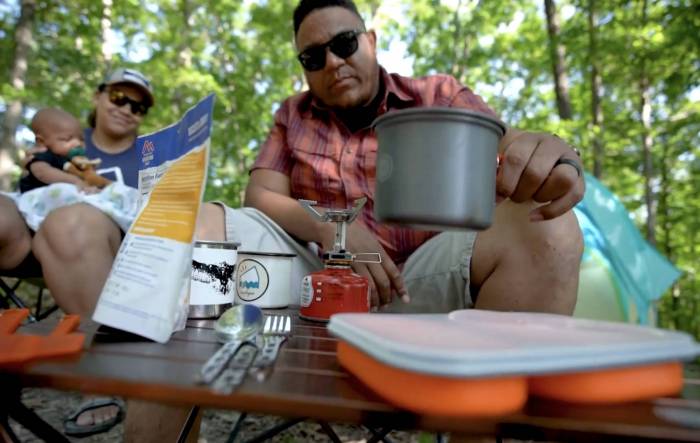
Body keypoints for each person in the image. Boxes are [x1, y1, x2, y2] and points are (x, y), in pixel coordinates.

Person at [196, 0, 584, 317]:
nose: (332, 62)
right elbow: (260, 195)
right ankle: (177, 385)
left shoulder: (438, 96)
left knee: (548, 223)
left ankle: (490, 407)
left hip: (421, 282)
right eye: (313, 57)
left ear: (372, 41)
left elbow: (509, 143)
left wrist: (556, 158)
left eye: (344, 43)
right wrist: (331, 231)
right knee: (203, 224)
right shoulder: (292, 115)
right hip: (317, 279)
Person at [0, 67, 174, 438]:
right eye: (118, 97)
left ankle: (106, 376)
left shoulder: (150, 158)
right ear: (98, 96)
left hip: (93, 245)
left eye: (139, 107)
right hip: (27, 236)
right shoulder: (62, 139)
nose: (128, 109)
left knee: (71, 223)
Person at [18, 108, 98, 193]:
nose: (78, 143)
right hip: (36, 195)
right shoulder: (44, 155)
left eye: (81, 139)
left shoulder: (72, 160)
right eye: (67, 139)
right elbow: (42, 173)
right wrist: (75, 181)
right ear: (41, 141)